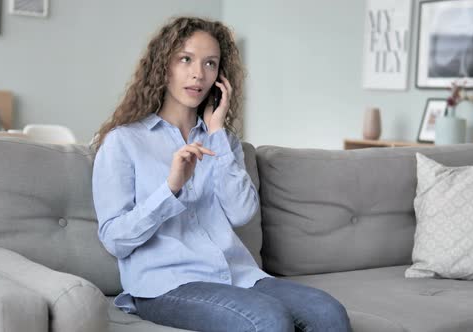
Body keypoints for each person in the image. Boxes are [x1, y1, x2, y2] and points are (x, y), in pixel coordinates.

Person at [91, 16, 352, 332]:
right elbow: (115, 239)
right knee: (268, 320)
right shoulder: (123, 141)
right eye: (185, 59)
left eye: (210, 63)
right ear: (163, 66)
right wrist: (171, 187)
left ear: (220, 76)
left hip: (238, 275)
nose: (198, 74)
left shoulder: (223, 142)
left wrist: (216, 131)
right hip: (165, 283)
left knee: (329, 313)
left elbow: (241, 213)